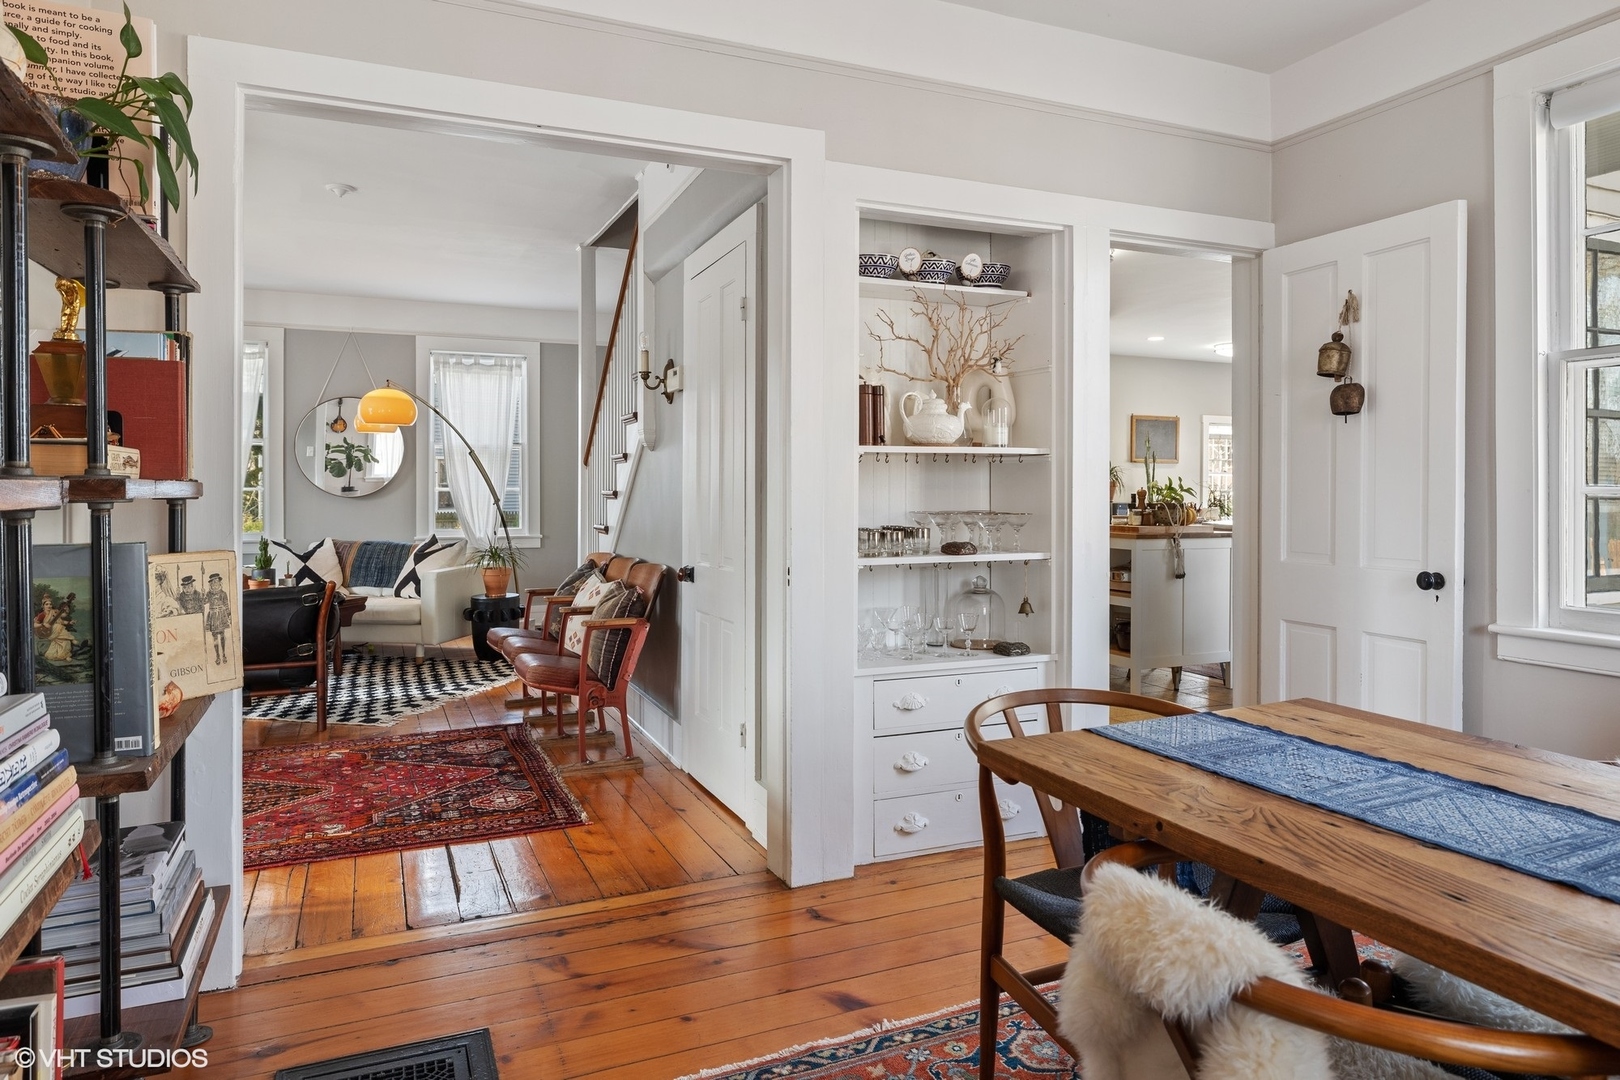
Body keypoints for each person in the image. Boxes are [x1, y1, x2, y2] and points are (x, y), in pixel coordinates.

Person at [203, 572, 232, 665]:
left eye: (216, 583)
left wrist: (229, 615)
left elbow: (226, 605)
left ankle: (224, 654)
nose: (215, 585)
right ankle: (217, 656)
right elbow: (203, 602)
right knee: (215, 637)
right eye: (213, 583)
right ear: (210, 584)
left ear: (219, 583)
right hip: (212, 616)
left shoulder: (223, 593)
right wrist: (203, 595)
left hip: (221, 616)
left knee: (222, 636)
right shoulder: (209, 594)